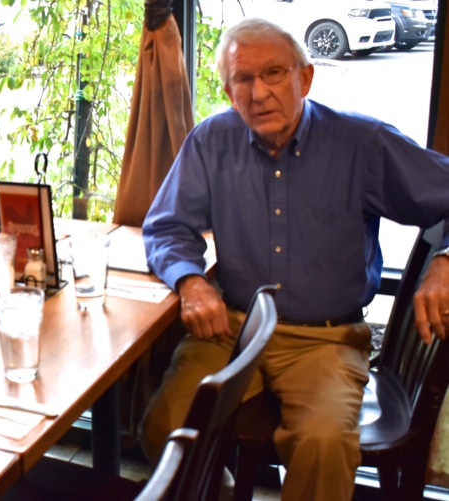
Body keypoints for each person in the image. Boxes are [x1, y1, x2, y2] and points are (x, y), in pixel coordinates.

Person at [140, 17, 449, 501]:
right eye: (243, 79)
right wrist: (191, 281)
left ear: (305, 78)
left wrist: (445, 261)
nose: (259, 92)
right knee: (164, 427)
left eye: (274, 73)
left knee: (323, 444)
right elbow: (166, 225)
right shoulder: (211, 141)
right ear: (229, 91)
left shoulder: (361, 143)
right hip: (234, 330)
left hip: (324, 340)